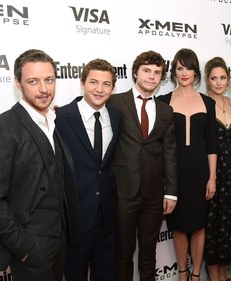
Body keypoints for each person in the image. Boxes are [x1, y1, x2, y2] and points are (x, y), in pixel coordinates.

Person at [0, 49, 80, 281]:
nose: (44, 89)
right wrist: (24, 248)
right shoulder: (3, 127)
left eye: (49, 80)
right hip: (31, 246)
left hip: (60, 238)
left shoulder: (52, 119)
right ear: (18, 84)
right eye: (33, 81)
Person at [107, 50, 178, 281]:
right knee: (123, 254)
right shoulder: (115, 101)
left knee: (149, 253)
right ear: (135, 72)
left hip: (153, 195)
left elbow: (170, 153)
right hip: (123, 192)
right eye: (147, 71)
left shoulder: (166, 111)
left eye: (157, 73)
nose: (151, 76)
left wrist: (172, 193)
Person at [55, 59, 123, 281]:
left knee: (106, 274)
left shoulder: (116, 117)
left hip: (107, 215)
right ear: (82, 83)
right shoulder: (60, 118)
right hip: (76, 217)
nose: (99, 89)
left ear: (112, 88)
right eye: (93, 82)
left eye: (106, 84)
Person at [159, 48, 217, 281]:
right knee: (180, 225)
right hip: (174, 172)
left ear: (196, 72)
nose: (185, 73)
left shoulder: (207, 102)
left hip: (200, 171)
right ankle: (182, 272)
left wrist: (212, 177)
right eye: (180, 68)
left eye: (189, 68)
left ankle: (196, 274)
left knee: (200, 225)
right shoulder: (163, 101)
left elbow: (212, 144)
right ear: (174, 71)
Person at [203, 57, 231, 281]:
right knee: (213, 221)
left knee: (230, 220)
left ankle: (223, 268)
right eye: (213, 78)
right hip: (212, 172)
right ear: (207, 80)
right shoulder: (202, 103)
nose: (218, 82)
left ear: (228, 80)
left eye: (222, 77)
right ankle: (213, 270)